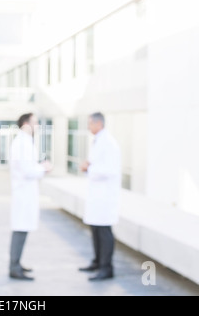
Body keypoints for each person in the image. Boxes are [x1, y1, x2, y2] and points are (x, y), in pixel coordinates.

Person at [8, 113, 52, 281]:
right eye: (35, 122)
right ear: (26, 124)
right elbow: (27, 170)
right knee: (20, 229)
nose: (37, 125)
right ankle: (14, 267)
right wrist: (44, 169)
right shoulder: (21, 143)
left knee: (23, 229)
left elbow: (28, 166)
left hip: (26, 193)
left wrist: (39, 167)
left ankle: (17, 264)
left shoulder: (25, 141)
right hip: (23, 193)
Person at [79, 112, 121, 281]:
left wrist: (88, 168)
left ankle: (106, 267)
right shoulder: (97, 141)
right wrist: (89, 166)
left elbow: (110, 170)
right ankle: (97, 262)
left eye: (90, 124)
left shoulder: (109, 143)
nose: (88, 127)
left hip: (105, 197)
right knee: (96, 229)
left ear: (98, 124)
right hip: (97, 195)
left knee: (104, 231)